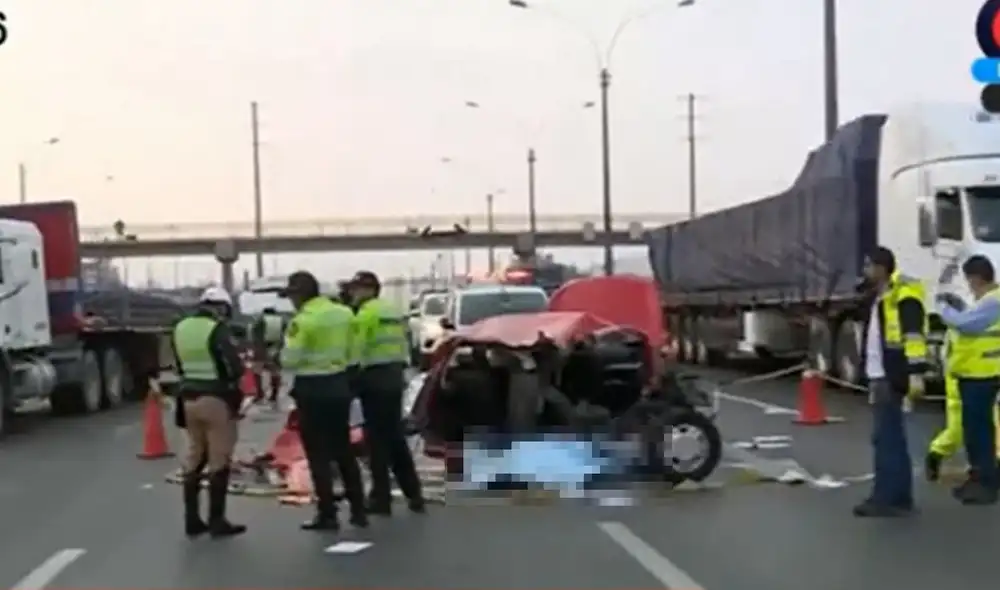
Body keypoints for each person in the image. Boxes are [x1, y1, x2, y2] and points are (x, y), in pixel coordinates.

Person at [281, 271, 368, 530]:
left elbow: (290, 360)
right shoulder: (343, 314)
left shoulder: (303, 320)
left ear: (299, 296)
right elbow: (355, 354)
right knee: (343, 450)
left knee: (317, 454)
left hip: (312, 389)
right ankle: (359, 510)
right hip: (339, 385)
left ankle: (328, 513)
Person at [855, 246, 928, 517]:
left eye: (868, 266)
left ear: (881, 268)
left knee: (886, 439)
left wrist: (916, 372)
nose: (865, 271)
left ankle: (885, 498)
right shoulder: (880, 297)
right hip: (880, 374)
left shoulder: (902, 295)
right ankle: (900, 497)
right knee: (890, 437)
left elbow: (914, 335)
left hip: (890, 376)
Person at [349, 270, 426, 515]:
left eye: (356, 289)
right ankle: (413, 493)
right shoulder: (392, 312)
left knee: (376, 440)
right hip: (394, 377)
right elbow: (404, 345)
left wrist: (350, 378)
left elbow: (356, 350)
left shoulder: (365, 314)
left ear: (368, 290)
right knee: (394, 437)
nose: (353, 293)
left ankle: (380, 498)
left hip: (373, 378)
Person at [173, 286, 247, 538]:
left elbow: (179, 364)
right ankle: (217, 521)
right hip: (215, 399)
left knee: (194, 456)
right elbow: (233, 367)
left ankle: (191, 520)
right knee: (219, 458)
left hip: (187, 399)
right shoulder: (217, 329)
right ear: (220, 307)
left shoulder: (180, 327)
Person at [936, 254, 1000, 504]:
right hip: (976, 374)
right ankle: (980, 477)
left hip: (980, 376)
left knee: (979, 432)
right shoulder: (987, 301)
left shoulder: (993, 301)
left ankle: (984, 482)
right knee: (978, 430)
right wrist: (959, 305)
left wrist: (943, 307)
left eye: (969, 280)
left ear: (976, 278)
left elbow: (966, 325)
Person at [924, 329, 1000, 483]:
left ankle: (988, 467)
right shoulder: (964, 319)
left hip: (991, 375)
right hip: (963, 376)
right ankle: (936, 453)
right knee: (958, 428)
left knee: (993, 423)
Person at [251, 307, 284, 405]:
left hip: (261, 349)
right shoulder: (281, 321)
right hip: (275, 348)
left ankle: (260, 394)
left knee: (257, 371)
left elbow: (255, 335)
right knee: (275, 372)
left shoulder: (260, 321)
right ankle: (274, 395)